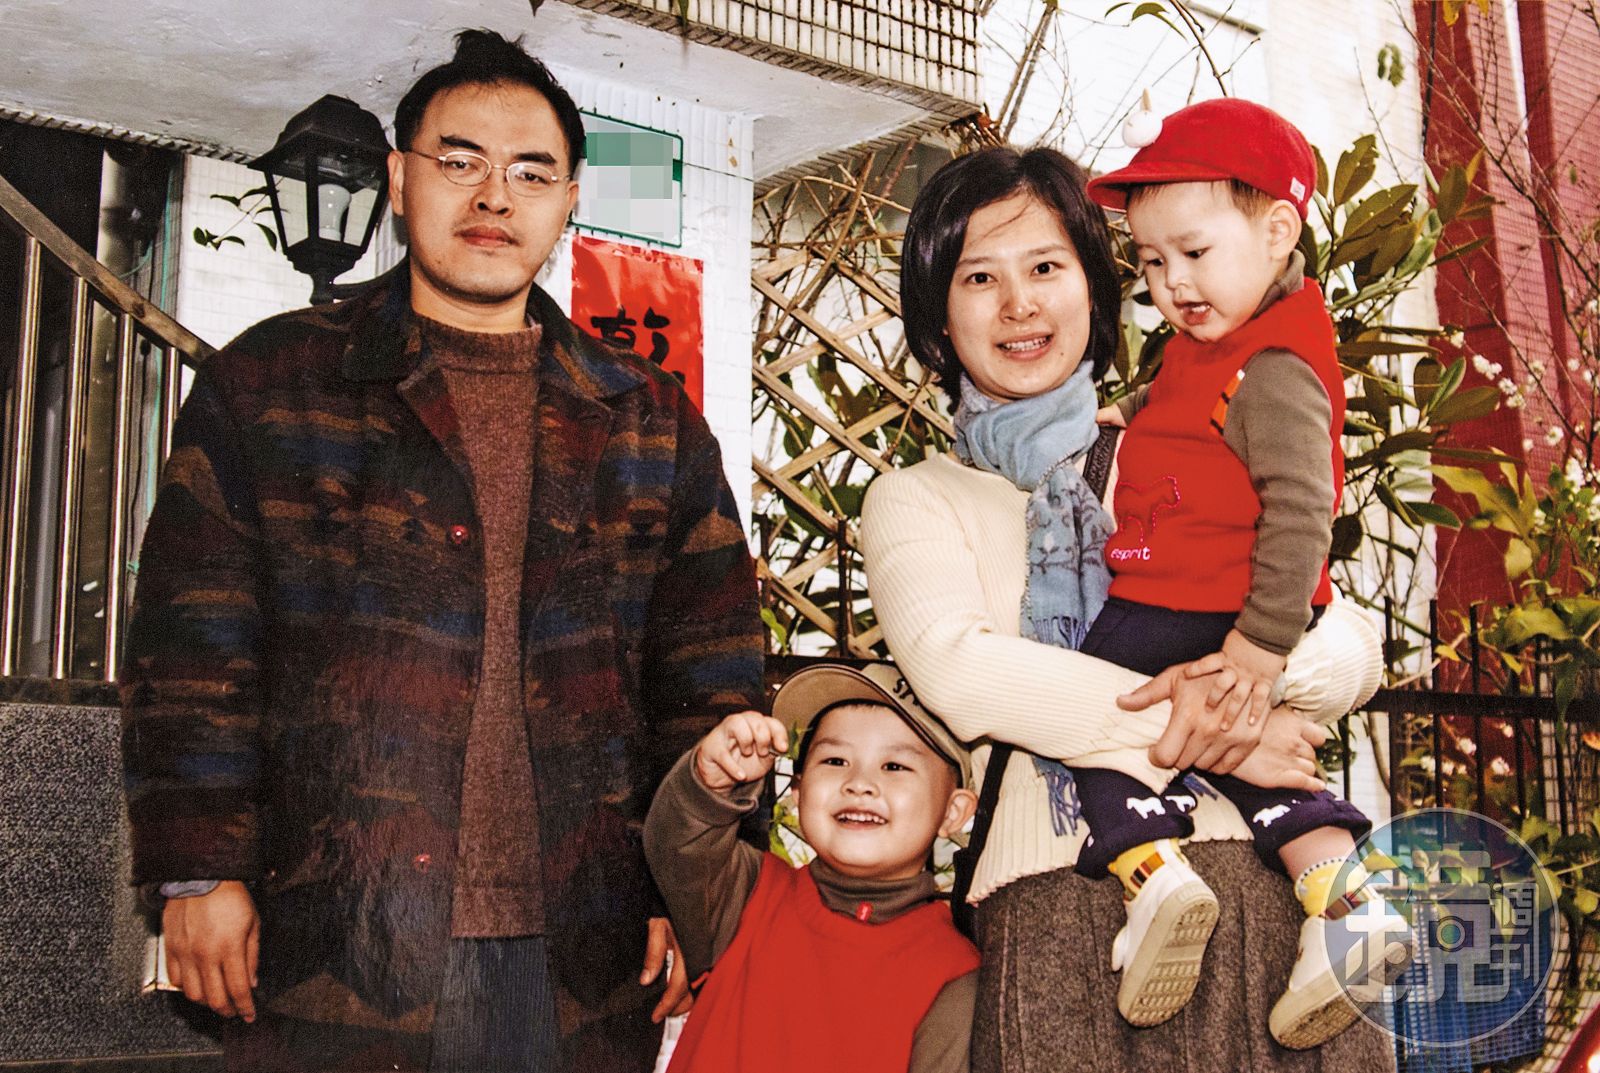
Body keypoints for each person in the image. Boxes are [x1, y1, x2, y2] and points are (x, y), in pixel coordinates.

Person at [120, 29, 763, 1073]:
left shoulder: (649, 420)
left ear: (569, 200)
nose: (494, 196)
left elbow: (709, 673)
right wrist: (199, 870)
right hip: (332, 929)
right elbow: (193, 646)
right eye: (460, 161)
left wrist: (692, 889)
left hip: (585, 945)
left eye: (532, 173)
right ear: (398, 178)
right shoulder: (271, 383)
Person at [860, 143, 1397, 1071]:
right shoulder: (917, 499)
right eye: (980, 277)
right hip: (1064, 909)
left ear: (1094, 290)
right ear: (939, 317)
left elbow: (1348, 638)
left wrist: (1242, 694)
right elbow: (965, 673)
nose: (1019, 304)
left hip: (1279, 902)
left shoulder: (1178, 438)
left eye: (1046, 267)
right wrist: (1213, 726)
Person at [1029, 96, 1410, 1047]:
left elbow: (1303, 511)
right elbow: (1186, 412)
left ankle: (1156, 879)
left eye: (1194, 252)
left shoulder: (1276, 367)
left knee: (1102, 719)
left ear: (1278, 230)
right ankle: (1345, 903)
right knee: (1257, 760)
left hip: (1198, 604)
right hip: (1211, 603)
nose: (1173, 282)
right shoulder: (1217, 345)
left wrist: (1258, 648)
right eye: (1153, 262)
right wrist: (1128, 418)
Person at [643, 663, 979, 1072]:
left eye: (895, 767)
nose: (859, 783)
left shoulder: (953, 975)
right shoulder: (746, 894)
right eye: (835, 760)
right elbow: (678, 845)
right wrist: (709, 782)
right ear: (798, 791)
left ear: (953, 811)